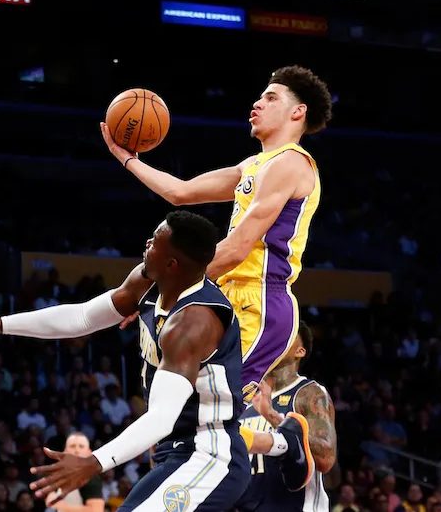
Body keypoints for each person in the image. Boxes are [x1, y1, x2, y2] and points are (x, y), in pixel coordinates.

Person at [0, 211, 309, 512]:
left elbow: (161, 417)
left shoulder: (192, 324)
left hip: (211, 455)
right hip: (174, 452)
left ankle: (288, 445)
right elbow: (83, 317)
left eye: (155, 242)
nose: (146, 244)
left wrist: (94, 462)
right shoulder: (148, 282)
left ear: (172, 263)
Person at [101, 66, 333, 401]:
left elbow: (237, 248)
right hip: (227, 293)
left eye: (271, 98)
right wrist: (126, 158)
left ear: (298, 112)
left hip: (260, 301)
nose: (258, 103)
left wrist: (159, 290)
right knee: (186, 406)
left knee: (207, 410)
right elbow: (180, 192)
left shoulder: (291, 163)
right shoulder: (252, 165)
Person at [237, 321, 337, 512]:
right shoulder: (244, 399)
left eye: (287, 334)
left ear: (300, 351)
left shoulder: (308, 393)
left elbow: (325, 459)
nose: (275, 338)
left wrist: (272, 416)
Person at [43, 433, 104, 512]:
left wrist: (62, 506)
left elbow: (97, 510)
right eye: (72, 446)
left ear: (89, 453)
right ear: (65, 452)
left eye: (81, 446)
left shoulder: (90, 477)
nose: (77, 450)